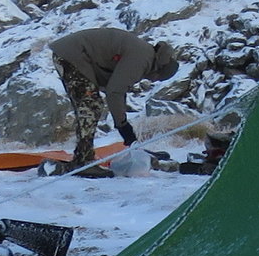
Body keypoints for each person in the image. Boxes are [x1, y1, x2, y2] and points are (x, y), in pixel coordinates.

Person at [47, 27, 180, 172]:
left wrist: (124, 126)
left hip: (69, 54)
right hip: (73, 55)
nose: (153, 80)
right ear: (159, 70)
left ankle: (83, 157)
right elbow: (115, 92)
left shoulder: (144, 53)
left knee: (89, 105)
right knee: (91, 106)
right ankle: (83, 161)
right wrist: (123, 126)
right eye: (158, 78)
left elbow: (113, 86)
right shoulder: (142, 59)